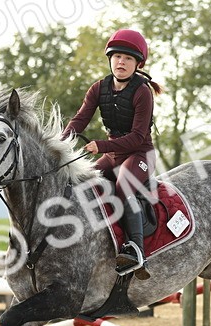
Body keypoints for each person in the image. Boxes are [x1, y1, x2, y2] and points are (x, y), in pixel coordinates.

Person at [61, 28, 165, 276]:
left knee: (124, 186)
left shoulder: (142, 91)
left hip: (140, 155)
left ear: (137, 64)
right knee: (82, 183)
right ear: (110, 59)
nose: (121, 62)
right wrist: (59, 143)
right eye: (117, 56)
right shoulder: (98, 88)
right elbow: (79, 120)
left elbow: (138, 137)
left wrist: (102, 146)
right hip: (113, 156)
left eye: (128, 58)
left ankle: (136, 252)